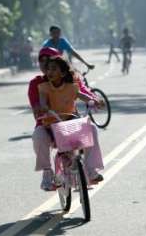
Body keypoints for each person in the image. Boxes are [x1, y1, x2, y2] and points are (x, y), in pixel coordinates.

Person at [28, 48, 103, 191]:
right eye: (42, 61)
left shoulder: (72, 82)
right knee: (38, 136)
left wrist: (95, 100)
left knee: (92, 128)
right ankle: (47, 174)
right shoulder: (38, 84)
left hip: (69, 122)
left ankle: (90, 170)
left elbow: (83, 92)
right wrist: (39, 108)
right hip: (48, 126)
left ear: (62, 69)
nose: (45, 66)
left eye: (50, 63)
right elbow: (37, 103)